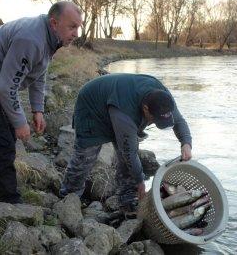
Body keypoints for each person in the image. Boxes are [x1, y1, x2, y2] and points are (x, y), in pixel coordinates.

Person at [0, 1, 82, 204]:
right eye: (72, 26)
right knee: (1, 142)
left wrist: (38, 110)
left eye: (78, 27)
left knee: (4, 138)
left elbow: (38, 74)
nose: (76, 33)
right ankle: (8, 201)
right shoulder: (31, 39)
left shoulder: (48, 38)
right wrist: (20, 122)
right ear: (54, 23)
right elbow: (6, 86)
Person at [59, 73, 192, 217]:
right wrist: (140, 180)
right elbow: (129, 152)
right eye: (155, 119)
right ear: (146, 109)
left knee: (127, 162)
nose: (155, 123)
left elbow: (179, 121)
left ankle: (127, 201)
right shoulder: (125, 112)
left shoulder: (163, 98)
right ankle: (68, 198)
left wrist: (186, 143)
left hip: (117, 102)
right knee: (85, 158)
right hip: (92, 108)